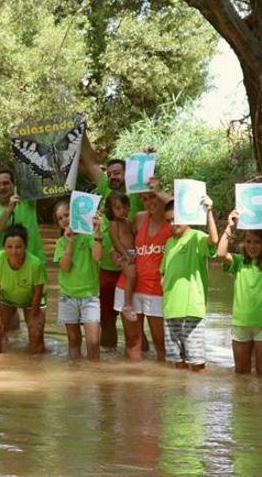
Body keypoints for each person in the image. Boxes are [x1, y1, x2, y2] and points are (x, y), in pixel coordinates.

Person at [79, 139, 147, 349]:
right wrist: (80, 131)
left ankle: (140, 366)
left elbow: (152, 189)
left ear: (128, 174)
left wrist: (145, 160)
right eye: (110, 173)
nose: (113, 177)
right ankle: (107, 369)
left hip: (131, 268)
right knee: (106, 321)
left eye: (117, 173)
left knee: (135, 323)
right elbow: (90, 164)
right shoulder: (107, 192)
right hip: (107, 271)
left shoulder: (137, 194)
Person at [216, 207, 262, 376]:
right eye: (248, 241)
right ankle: (244, 403)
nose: (252, 246)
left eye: (257, 242)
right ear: (243, 243)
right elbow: (220, 254)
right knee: (241, 373)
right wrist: (230, 226)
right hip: (241, 323)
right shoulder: (239, 262)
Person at [113, 180, 173, 361]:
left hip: (157, 289)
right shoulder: (139, 218)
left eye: (153, 196)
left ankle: (162, 387)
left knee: (161, 343)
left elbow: (183, 208)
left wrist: (159, 191)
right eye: (145, 199)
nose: (150, 202)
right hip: (130, 287)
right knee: (132, 341)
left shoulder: (174, 221)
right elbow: (124, 240)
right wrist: (115, 254)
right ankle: (132, 387)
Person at [0, 169, 47, 331]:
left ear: (13, 184)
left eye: (6, 183)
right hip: (4, 272)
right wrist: (9, 209)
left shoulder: (28, 198)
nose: (2, 187)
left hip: (33, 270)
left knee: (35, 330)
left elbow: (41, 177)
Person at [159, 197, 218, 371]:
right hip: (171, 309)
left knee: (196, 362)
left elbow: (214, 241)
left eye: (175, 219)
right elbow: (163, 271)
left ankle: (196, 397)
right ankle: (179, 397)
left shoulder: (196, 237)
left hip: (191, 309)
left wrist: (209, 212)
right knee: (177, 362)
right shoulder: (170, 242)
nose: (171, 224)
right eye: (168, 221)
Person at [52, 200, 104, 360]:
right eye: (60, 218)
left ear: (75, 214)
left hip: (90, 295)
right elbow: (65, 267)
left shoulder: (89, 236)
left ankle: (94, 377)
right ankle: (75, 377)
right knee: (73, 340)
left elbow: (97, 256)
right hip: (68, 296)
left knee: (93, 342)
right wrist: (69, 243)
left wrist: (97, 233)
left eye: (67, 215)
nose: (64, 220)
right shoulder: (61, 243)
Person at [0, 225, 46, 354]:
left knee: (36, 332)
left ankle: (37, 368)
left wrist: (34, 315)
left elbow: (38, 291)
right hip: (7, 298)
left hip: (32, 301)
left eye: (18, 247)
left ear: (25, 247)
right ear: (4, 247)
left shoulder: (36, 264)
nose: (14, 252)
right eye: (9, 247)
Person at [106, 192, 137, 322]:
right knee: (131, 276)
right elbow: (115, 241)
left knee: (134, 276)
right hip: (122, 253)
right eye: (118, 208)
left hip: (131, 253)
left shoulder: (127, 222)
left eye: (124, 207)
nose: (122, 211)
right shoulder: (114, 223)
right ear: (111, 210)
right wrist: (125, 254)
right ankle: (127, 305)